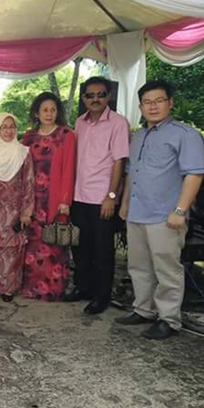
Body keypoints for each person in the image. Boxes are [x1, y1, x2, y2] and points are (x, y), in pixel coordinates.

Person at [117, 80, 204, 339]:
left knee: (167, 269)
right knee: (138, 266)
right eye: (148, 102)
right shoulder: (138, 136)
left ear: (170, 103)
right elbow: (129, 173)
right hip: (136, 212)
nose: (153, 106)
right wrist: (124, 204)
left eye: (159, 100)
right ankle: (143, 309)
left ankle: (169, 319)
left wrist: (180, 211)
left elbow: (194, 175)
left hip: (165, 215)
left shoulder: (185, 135)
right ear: (140, 107)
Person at [67, 76, 130, 315]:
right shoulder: (79, 122)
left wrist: (111, 196)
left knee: (102, 251)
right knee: (81, 249)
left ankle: (101, 296)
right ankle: (83, 288)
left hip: (102, 198)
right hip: (79, 196)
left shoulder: (118, 123)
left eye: (100, 94)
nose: (95, 99)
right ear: (84, 98)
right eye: (90, 95)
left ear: (109, 96)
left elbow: (119, 161)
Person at [21, 93, 75, 301]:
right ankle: (31, 287)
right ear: (36, 112)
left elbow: (69, 169)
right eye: (45, 110)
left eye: (53, 110)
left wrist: (65, 200)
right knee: (33, 245)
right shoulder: (29, 137)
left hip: (54, 198)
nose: (49, 114)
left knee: (53, 243)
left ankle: (53, 289)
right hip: (32, 198)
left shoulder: (66, 135)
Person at [0, 113, 34, 302]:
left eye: (12, 126)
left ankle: (9, 288)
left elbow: (29, 183)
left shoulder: (23, 152)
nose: (9, 131)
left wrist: (27, 212)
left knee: (11, 251)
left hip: (14, 210)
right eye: (4, 127)